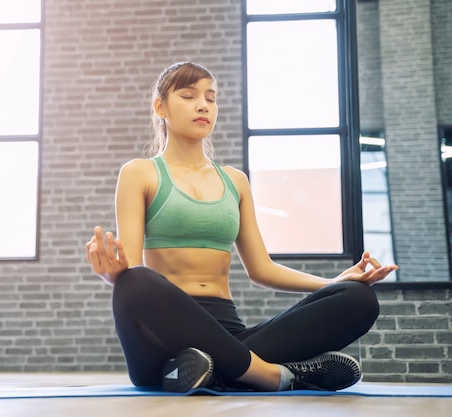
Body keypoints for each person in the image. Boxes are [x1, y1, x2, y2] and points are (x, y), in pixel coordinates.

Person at [85, 61, 398, 393]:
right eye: (189, 96)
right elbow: (132, 267)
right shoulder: (140, 173)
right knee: (134, 282)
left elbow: (262, 268)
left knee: (359, 299)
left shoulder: (235, 181)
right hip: (160, 342)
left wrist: (333, 283)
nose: (203, 105)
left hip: (229, 334)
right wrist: (112, 275)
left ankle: (220, 372)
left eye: (211, 97)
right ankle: (266, 373)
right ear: (160, 106)